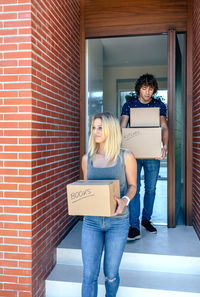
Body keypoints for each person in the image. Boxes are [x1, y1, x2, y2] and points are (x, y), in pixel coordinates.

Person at [81, 112, 137, 297]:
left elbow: (133, 186)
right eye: (94, 128)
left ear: (111, 130)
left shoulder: (126, 156)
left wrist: (125, 200)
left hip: (118, 222)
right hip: (91, 222)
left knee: (111, 274)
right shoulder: (87, 159)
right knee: (89, 274)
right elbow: (87, 190)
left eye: (100, 128)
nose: (95, 132)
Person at [120, 73, 169, 241]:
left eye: (150, 88)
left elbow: (164, 127)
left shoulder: (159, 105)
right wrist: (121, 150)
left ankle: (146, 220)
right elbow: (122, 127)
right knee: (134, 187)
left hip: (151, 153)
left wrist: (165, 146)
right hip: (132, 153)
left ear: (154, 89)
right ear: (139, 89)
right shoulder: (129, 105)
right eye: (144, 88)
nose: (147, 92)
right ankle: (134, 226)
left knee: (151, 188)